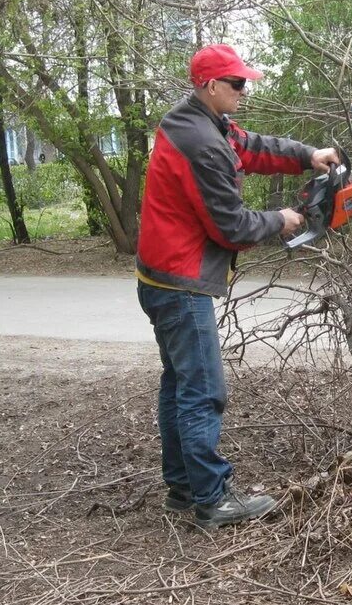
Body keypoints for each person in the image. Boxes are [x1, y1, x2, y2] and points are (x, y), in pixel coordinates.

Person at [135, 44, 339, 529]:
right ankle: (211, 499)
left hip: (162, 276)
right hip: (180, 285)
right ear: (210, 86)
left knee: (180, 386)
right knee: (203, 390)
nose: (245, 91)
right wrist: (282, 220)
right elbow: (231, 227)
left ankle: (184, 489)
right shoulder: (201, 143)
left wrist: (309, 156)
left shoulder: (200, 123)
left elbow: (254, 147)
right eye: (237, 83)